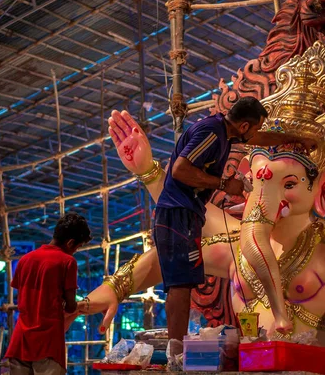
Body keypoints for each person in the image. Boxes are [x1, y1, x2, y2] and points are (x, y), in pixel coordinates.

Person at [110, 97, 268, 356]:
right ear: (244, 126)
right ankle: (177, 352)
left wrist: (298, 139)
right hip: (177, 214)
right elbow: (180, 169)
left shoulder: (226, 135)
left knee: (183, 282)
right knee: (180, 284)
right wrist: (223, 184)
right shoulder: (212, 132)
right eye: (255, 128)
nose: (255, 134)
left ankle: (177, 349)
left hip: (188, 215)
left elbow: (260, 139)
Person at [5, 213, 91, 375]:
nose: (75, 252)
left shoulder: (25, 259)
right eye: (77, 247)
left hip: (20, 340)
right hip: (48, 344)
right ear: (71, 242)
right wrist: (79, 305)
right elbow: (71, 306)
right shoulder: (67, 262)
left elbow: (24, 297)